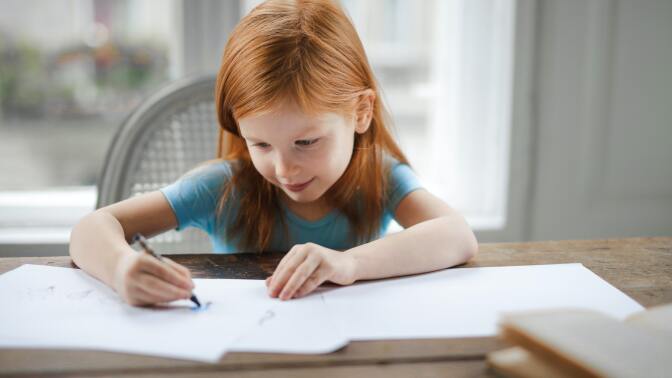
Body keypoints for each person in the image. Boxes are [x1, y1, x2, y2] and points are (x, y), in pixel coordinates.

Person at [69, 0, 478, 307]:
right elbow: (90, 229)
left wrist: (348, 264)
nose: (283, 169)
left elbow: (458, 236)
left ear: (361, 111)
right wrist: (122, 267)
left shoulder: (381, 178)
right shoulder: (223, 187)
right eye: (260, 144)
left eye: (306, 142)